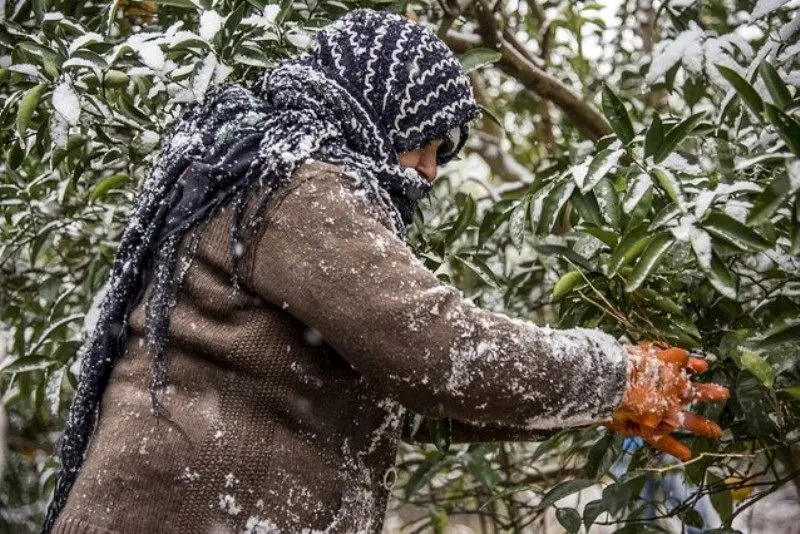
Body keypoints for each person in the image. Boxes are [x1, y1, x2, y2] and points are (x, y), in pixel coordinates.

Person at [43, 8, 728, 534]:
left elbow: (404, 399)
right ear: (379, 105)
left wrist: (596, 405)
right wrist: (613, 376)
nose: (429, 172)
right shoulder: (296, 185)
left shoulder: (277, 179)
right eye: (426, 143)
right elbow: (438, 353)